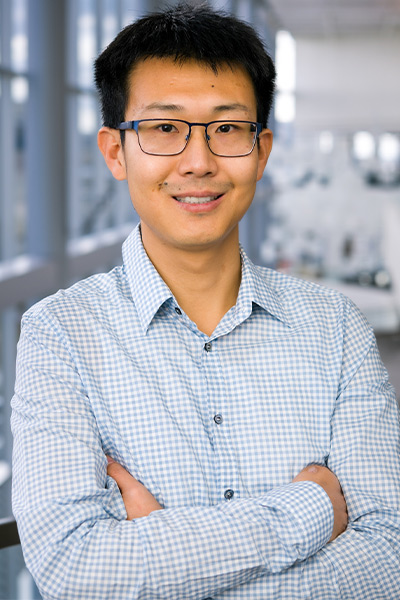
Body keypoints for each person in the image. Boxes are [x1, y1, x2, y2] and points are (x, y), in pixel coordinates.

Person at [11, 3, 400, 599]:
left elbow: (390, 554)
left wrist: (170, 566)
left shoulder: (335, 327)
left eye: (227, 128)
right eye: (165, 128)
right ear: (116, 152)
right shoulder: (60, 332)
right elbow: (75, 568)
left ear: (261, 150)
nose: (198, 161)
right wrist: (311, 509)